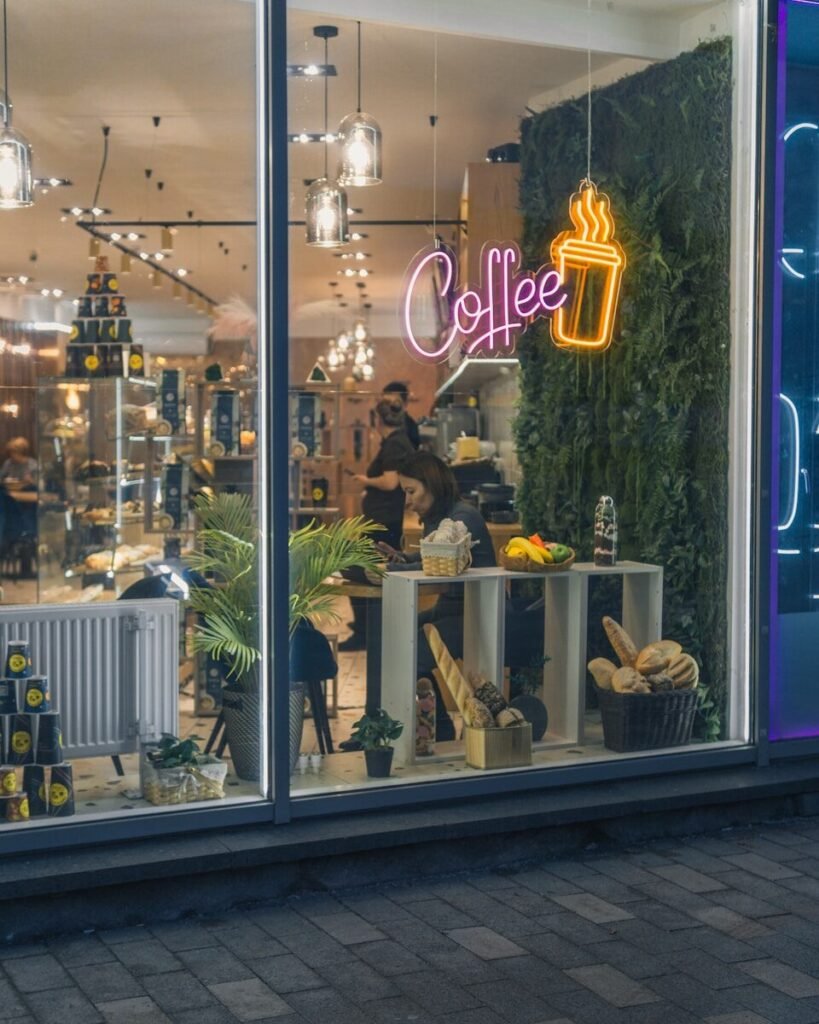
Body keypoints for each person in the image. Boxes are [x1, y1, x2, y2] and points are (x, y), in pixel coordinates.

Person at [380, 451, 496, 740]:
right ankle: (392, 723)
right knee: (394, 635)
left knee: (412, 648)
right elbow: (432, 556)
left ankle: (439, 727)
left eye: (411, 491)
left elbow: (441, 565)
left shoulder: (463, 517)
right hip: (453, 609)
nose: (407, 501)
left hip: (476, 616)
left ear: (431, 484)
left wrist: (395, 566)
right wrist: (404, 558)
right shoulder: (442, 516)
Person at [339, 398, 414, 653]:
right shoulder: (397, 442)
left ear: (378, 420)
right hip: (383, 520)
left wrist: (366, 481)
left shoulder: (394, 444)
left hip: (384, 523)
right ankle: (366, 629)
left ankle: (366, 633)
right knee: (361, 571)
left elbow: (391, 482)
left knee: (356, 570)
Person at [382, 381, 420, 449]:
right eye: (385, 403)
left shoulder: (410, 429)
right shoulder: (387, 425)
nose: (389, 407)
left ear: (405, 404)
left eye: (395, 404)